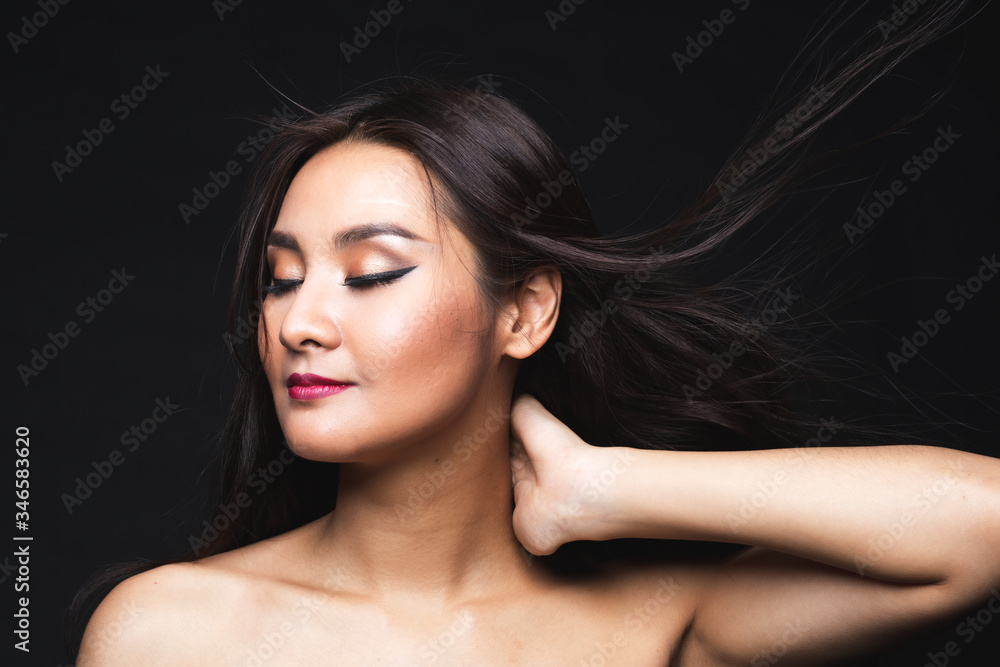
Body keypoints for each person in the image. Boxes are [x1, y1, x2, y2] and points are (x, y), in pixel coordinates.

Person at [71, 4, 1000, 665]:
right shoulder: (168, 634)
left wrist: (606, 485)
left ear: (524, 311)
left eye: (371, 273)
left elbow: (980, 527)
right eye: (280, 280)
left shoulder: (653, 624)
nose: (298, 323)